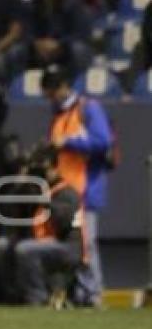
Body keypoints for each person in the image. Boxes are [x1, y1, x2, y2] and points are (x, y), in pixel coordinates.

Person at [41, 68, 113, 307]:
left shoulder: (87, 109)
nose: (50, 99)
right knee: (74, 246)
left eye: (51, 94)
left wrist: (68, 142)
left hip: (86, 187)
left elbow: (103, 141)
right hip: (65, 190)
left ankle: (93, 295)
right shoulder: (58, 116)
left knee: (87, 244)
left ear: (61, 88)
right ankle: (80, 296)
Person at [13, 144, 85, 306]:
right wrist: (23, 182)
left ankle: (38, 297)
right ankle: (22, 296)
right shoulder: (42, 189)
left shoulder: (66, 192)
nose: (41, 175)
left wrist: (46, 201)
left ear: (54, 169)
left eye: (44, 170)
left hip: (68, 246)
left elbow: (64, 224)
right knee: (13, 247)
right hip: (52, 242)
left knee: (25, 249)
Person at [29, 0, 92, 72]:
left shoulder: (73, 4)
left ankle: (78, 84)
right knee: (18, 51)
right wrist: (37, 42)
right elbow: (26, 29)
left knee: (79, 49)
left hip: (65, 47)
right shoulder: (33, 4)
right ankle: (16, 86)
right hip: (40, 47)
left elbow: (82, 33)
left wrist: (59, 43)